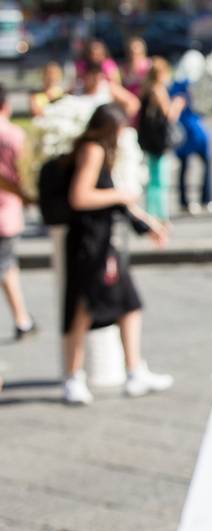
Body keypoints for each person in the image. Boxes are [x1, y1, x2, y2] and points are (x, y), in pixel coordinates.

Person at [61, 103, 172, 405]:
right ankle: (73, 377)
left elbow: (118, 202)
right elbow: (80, 196)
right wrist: (122, 194)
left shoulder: (101, 151)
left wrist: (149, 225)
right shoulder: (93, 149)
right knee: (84, 308)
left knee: (128, 305)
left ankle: (134, 370)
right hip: (91, 245)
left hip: (103, 242)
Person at [0, 85, 37, 340]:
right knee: (6, 264)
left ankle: (22, 319)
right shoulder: (14, 135)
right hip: (7, 213)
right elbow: (25, 173)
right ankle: (22, 320)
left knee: (7, 265)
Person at [170, 51, 212, 216]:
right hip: (194, 128)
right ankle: (206, 197)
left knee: (185, 167)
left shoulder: (176, 83)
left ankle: (185, 201)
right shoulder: (193, 83)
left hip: (184, 128)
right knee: (206, 163)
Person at [137, 57, 184, 221]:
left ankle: (152, 212)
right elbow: (168, 115)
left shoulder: (145, 88)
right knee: (160, 180)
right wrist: (177, 104)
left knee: (153, 177)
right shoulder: (158, 89)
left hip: (149, 139)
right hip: (159, 141)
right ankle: (160, 215)